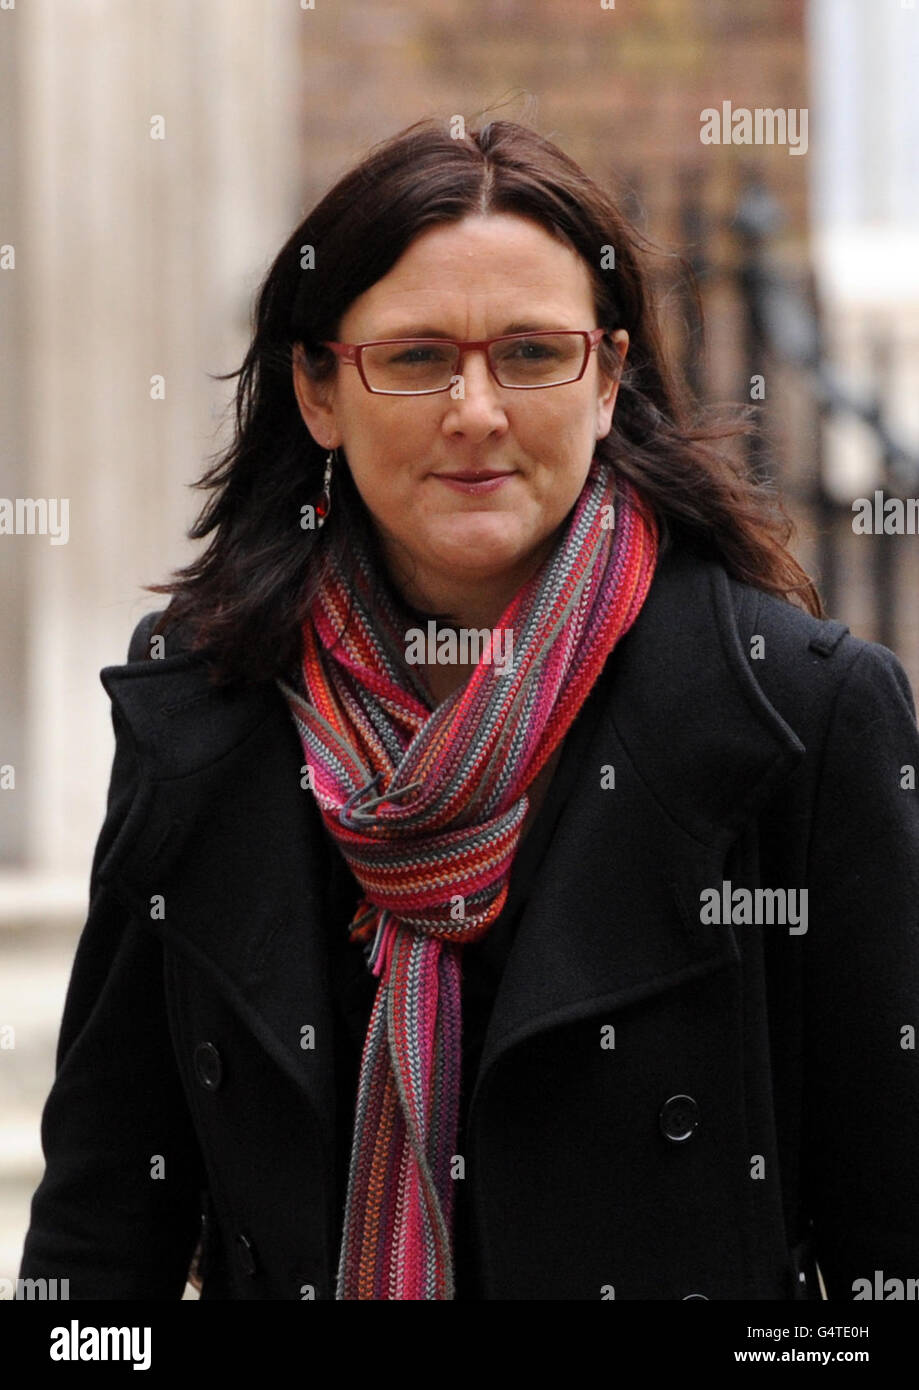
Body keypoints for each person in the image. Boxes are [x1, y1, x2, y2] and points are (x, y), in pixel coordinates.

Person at [18, 117, 919, 1302]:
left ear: (607, 381)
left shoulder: (802, 714)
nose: (477, 409)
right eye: (415, 357)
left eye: (533, 354)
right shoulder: (206, 709)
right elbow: (100, 1232)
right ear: (319, 391)